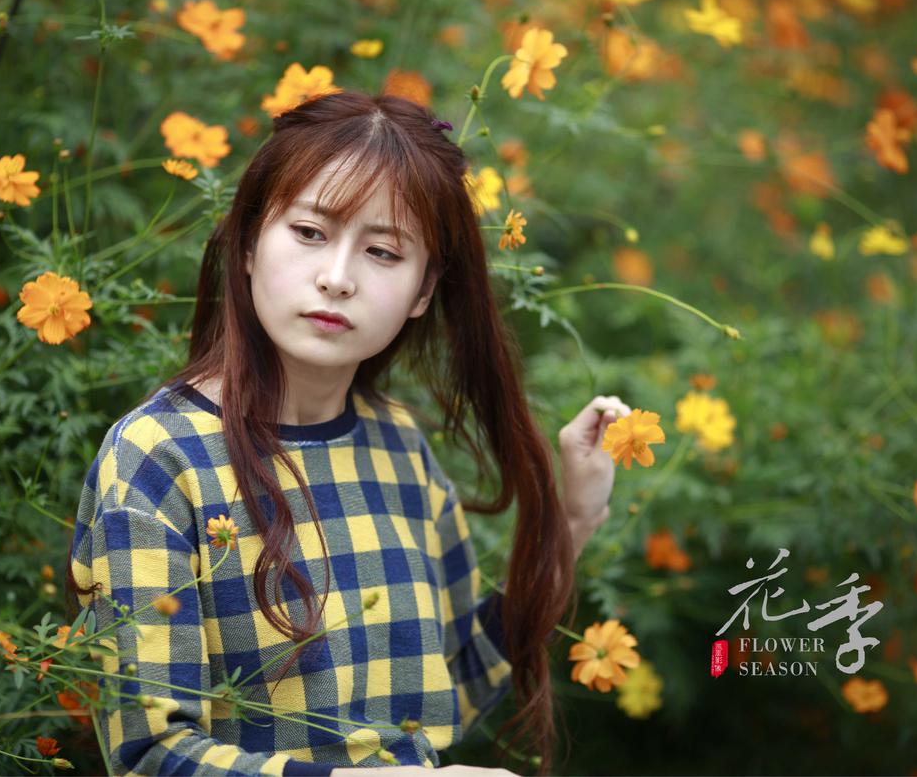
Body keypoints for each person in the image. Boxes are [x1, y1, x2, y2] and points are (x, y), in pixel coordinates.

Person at [65, 90, 631, 776]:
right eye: (310, 232)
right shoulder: (160, 458)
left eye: (383, 251)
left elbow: (452, 687)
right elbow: (150, 754)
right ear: (248, 242)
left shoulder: (400, 448)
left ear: (424, 291)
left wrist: (573, 519)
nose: (336, 278)